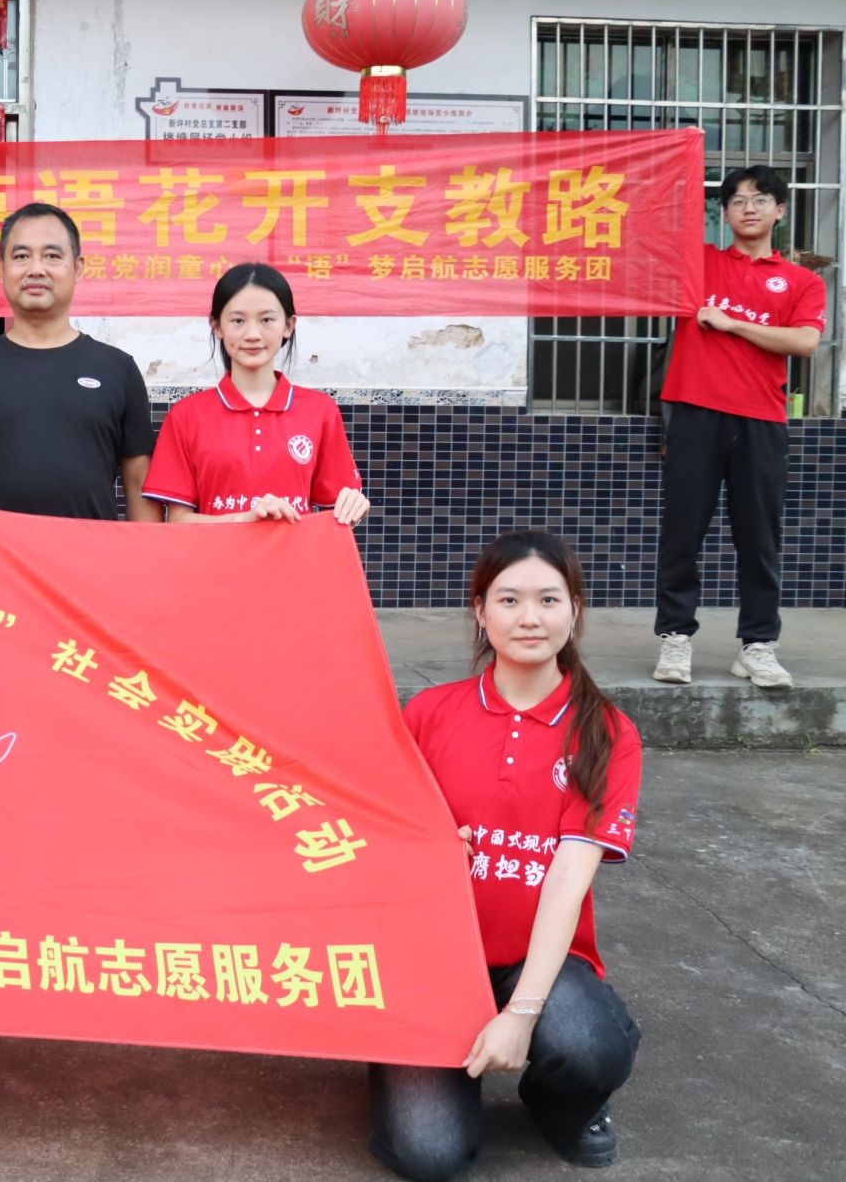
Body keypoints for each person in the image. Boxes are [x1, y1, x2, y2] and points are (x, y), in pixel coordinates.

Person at [369, 530, 643, 1179]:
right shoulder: (429, 713)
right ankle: (399, 1062)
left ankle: (561, 1103)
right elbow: (379, 832)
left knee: (588, 1045)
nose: (529, 618)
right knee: (430, 1154)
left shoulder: (606, 731)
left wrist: (521, 1014)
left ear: (574, 610)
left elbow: (568, 877)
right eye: (509, 599)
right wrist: (422, 848)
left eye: (548, 599)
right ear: (480, 610)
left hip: (535, 964)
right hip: (435, 962)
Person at [652, 165, 826, 689]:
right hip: (694, 412)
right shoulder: (698, 264)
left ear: (780, 210)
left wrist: (732, 324)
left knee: (759, 537)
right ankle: (675, 637)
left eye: (760, 199)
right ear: (724, 213)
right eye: (737, 201)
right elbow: (655, 231)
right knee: (682, 530)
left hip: (762, 419)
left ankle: (758, 645)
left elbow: (804, 342)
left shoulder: (802, 281)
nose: (749, 208)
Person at [0, 202, 159, 520]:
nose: (36, 269)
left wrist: (144, 548)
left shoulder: (117, 369)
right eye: (21, 256)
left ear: (78, 268)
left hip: (88, 550)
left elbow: (139, 479)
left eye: (52, 256)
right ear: (1, 269)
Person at [141, 262, 370, 525]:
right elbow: (178, 521)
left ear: (288, 325)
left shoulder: (320, 410)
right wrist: (244, 520)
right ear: (216, 326)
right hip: (215, 554)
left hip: (297, 554)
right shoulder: (186, 416)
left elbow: (337, 515)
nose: (252, 334)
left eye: (266, 320)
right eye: (238, 320)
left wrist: (355, 508)